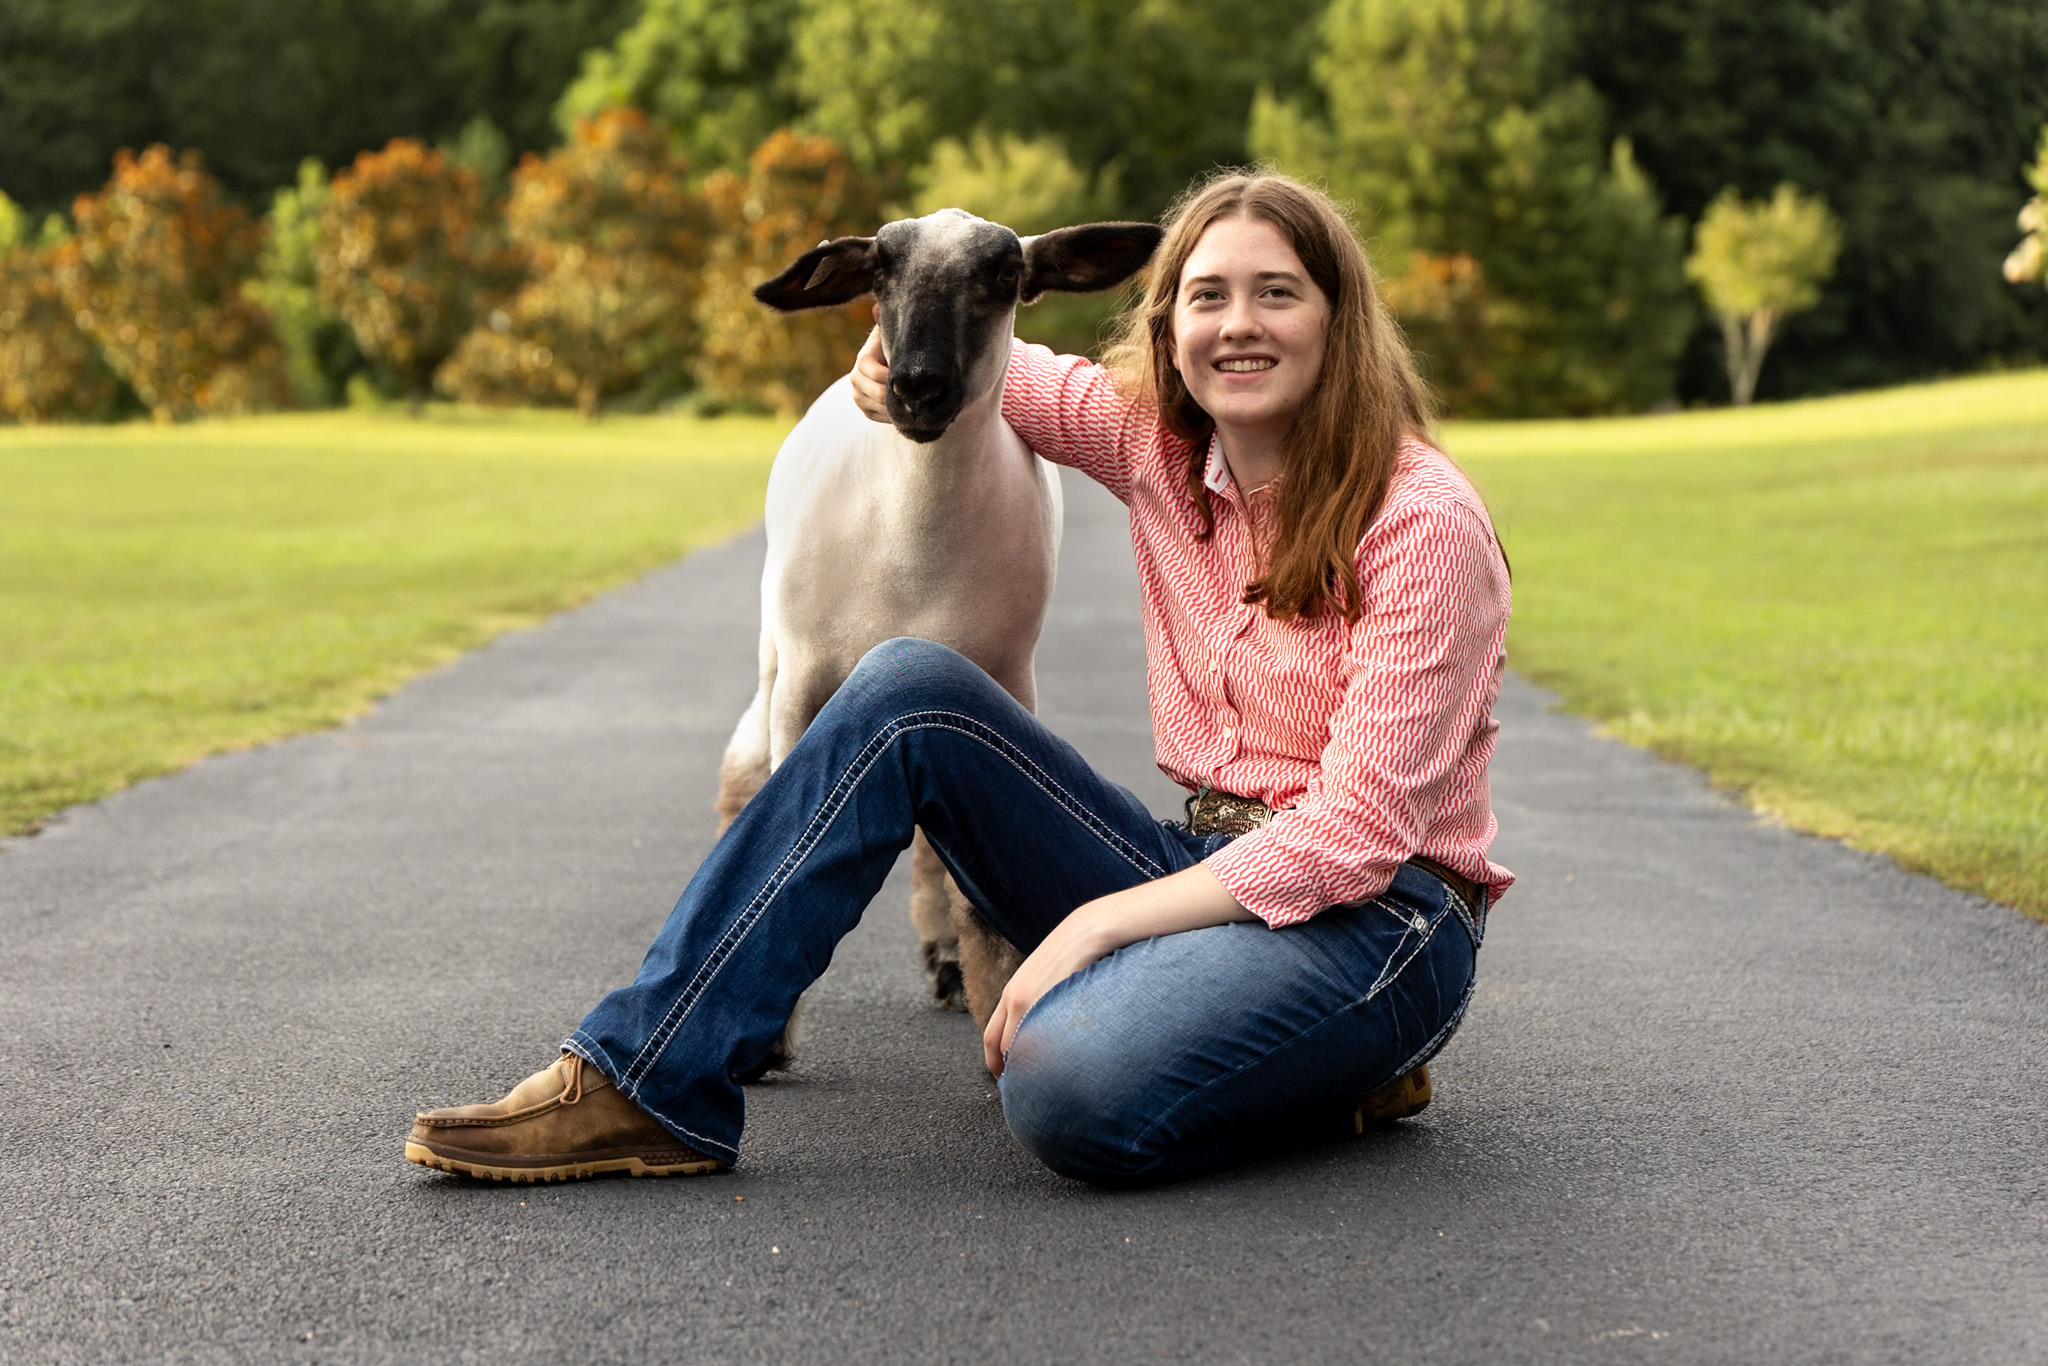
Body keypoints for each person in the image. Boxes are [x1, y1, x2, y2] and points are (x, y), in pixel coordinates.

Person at [405, 171, 1513, 1187]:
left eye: (1276, 293)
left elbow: (1357, 832)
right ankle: (646, 1078)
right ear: (1167, 323)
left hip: (1380, 923)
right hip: (1207, 859)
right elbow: (982, 360)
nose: (1236, 325)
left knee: (1063, 1086)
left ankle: (1336, 1072)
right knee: (903, 688)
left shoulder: (1419, 523)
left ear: (1336, 316)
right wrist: (881, 356)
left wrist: (1093, 930)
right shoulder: (1159, 446)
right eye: (1206, 295)